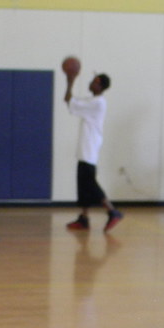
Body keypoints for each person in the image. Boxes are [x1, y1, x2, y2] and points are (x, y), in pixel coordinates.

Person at [64, 72, 123, 232]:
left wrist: (70, 81)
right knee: (83, 185)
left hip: (89, 149)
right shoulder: (93, 101)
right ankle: (84, 218)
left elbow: (69, 100)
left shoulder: (98, 103)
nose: (91, 83)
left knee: (90, 183)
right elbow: (71, 102)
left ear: (101, 86)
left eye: (95, 82)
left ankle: (112, 211)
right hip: (85, 148)